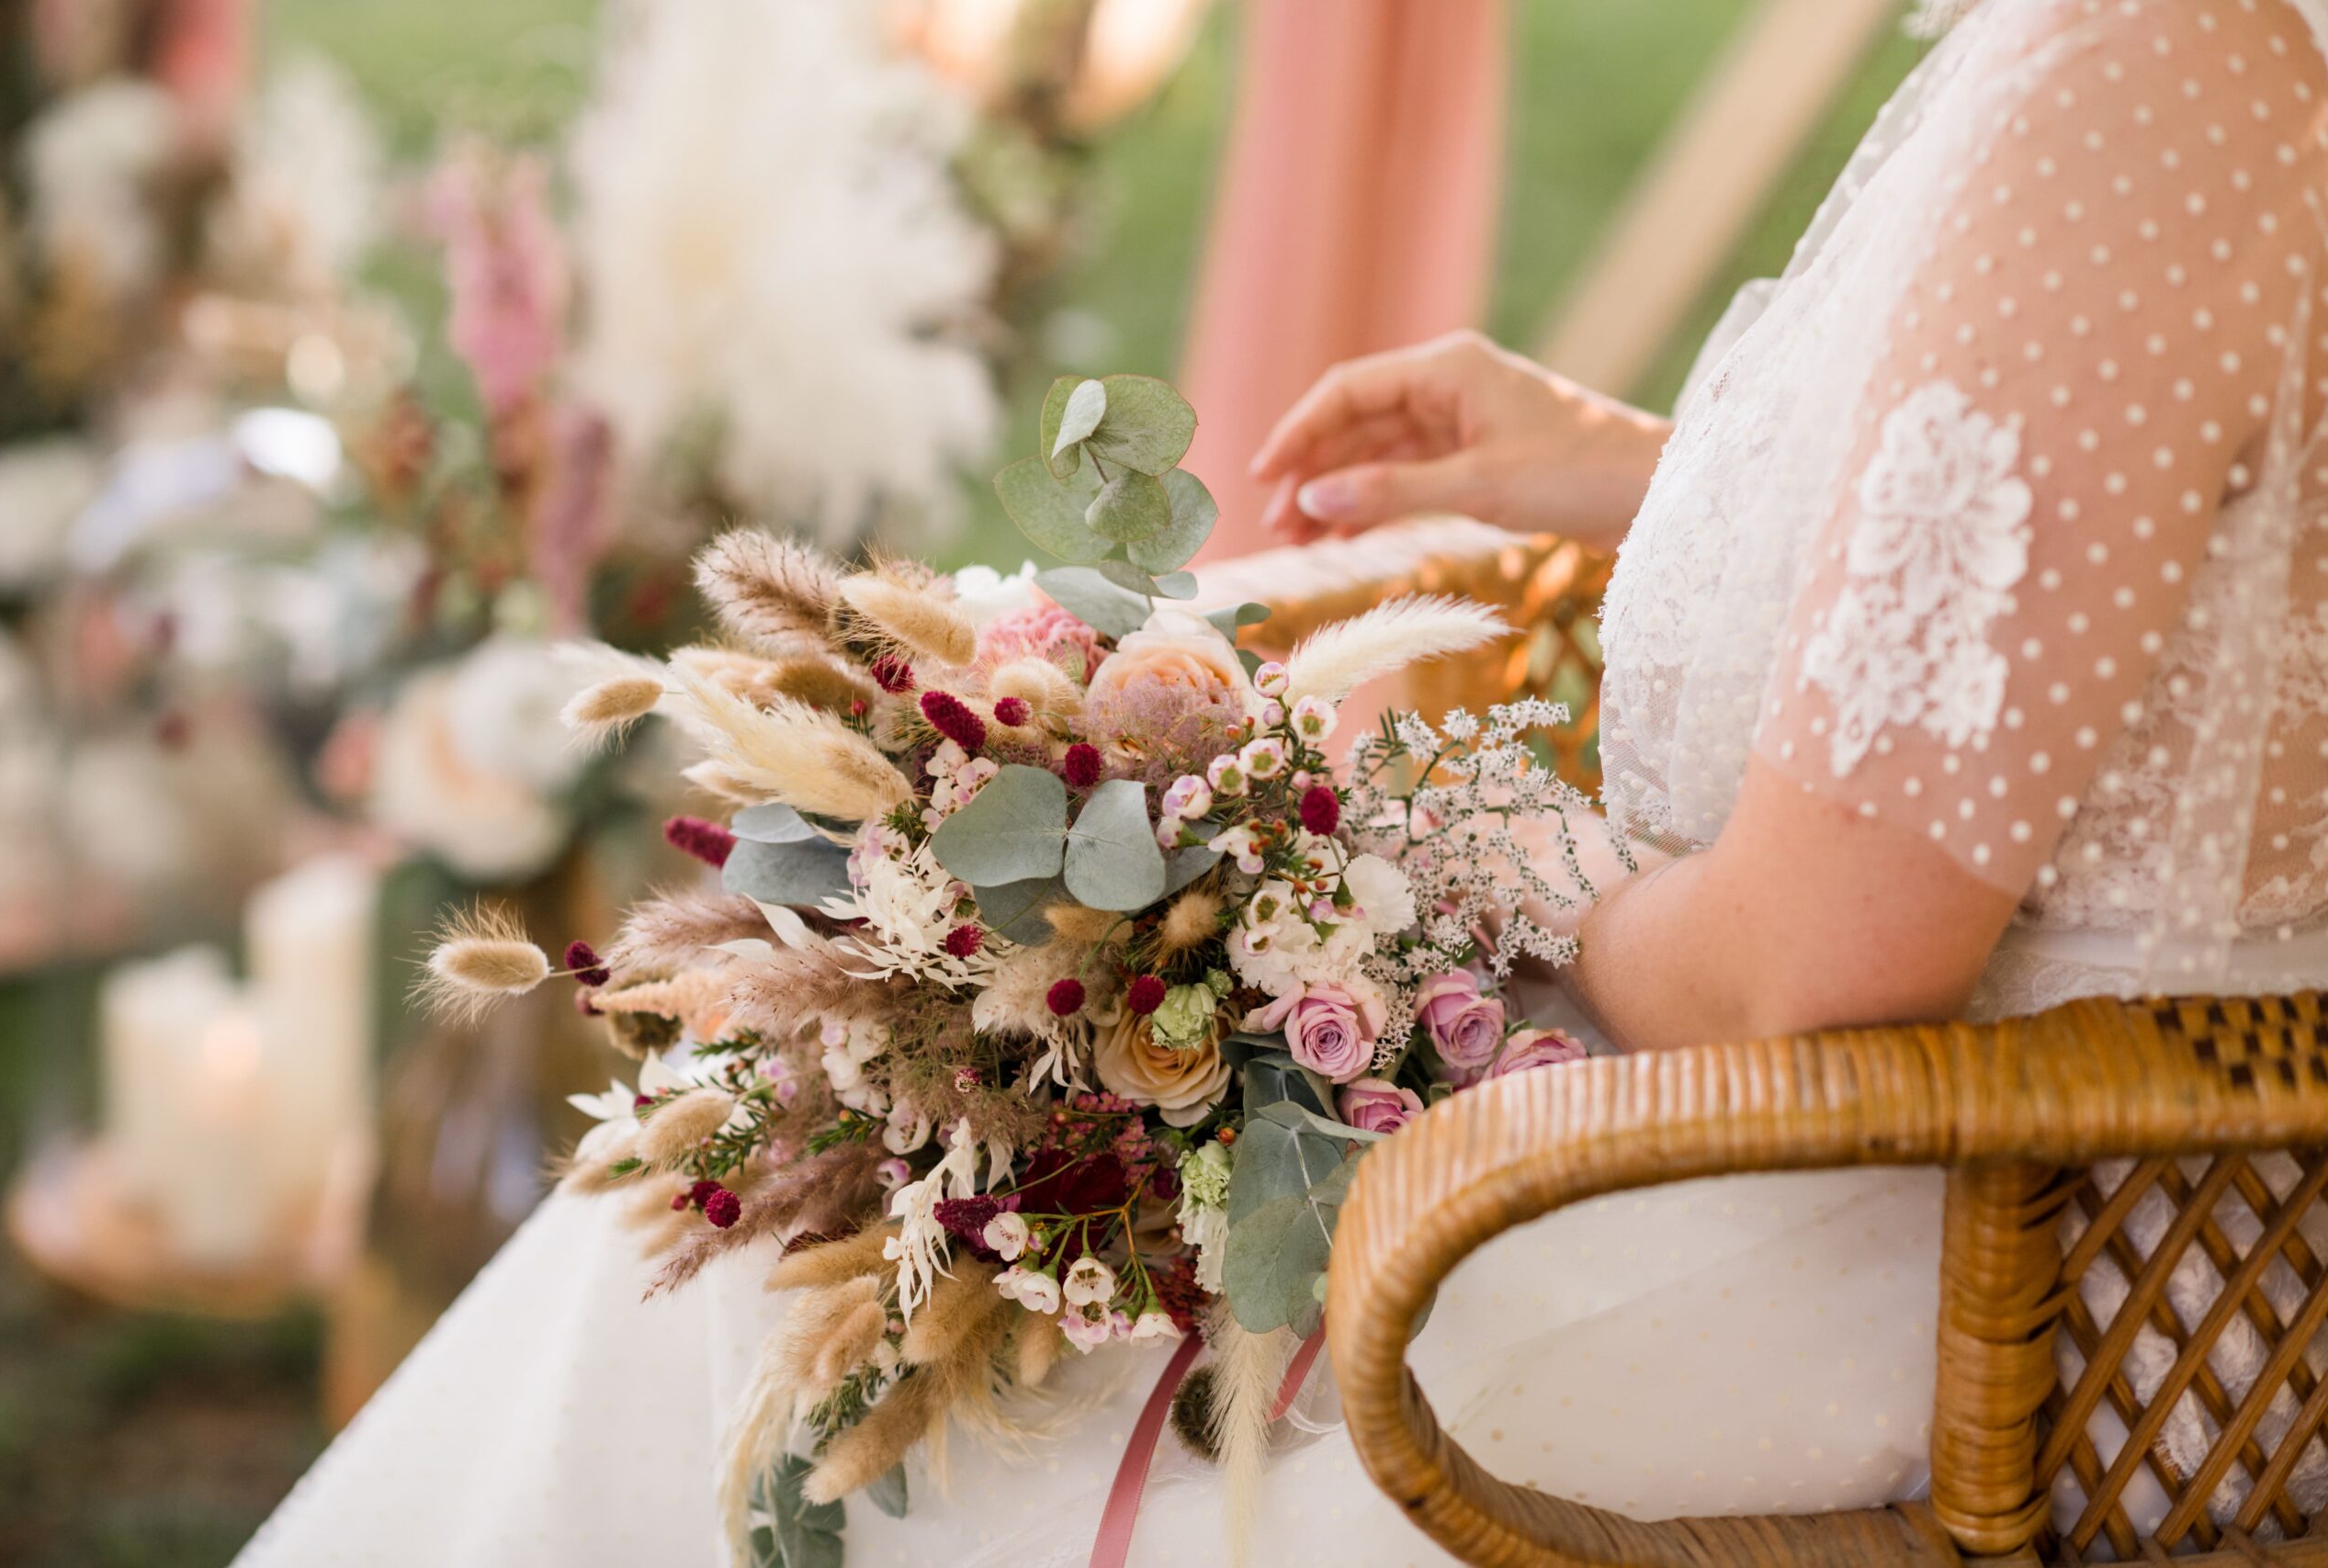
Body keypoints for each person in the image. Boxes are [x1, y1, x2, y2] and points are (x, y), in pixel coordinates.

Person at [238, 2, 2328, 1562]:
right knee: (800, 1190)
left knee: (774, 1322)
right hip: (1939, 1203)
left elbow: (1797, 972)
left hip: (1989, 1274)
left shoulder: (2148, 82)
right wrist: (1672, 476)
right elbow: (2151, 566)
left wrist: (1444, 828)